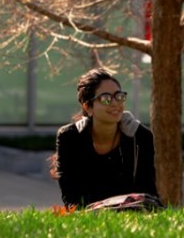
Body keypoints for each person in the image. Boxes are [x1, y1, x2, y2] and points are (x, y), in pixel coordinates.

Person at [54, 68, 158, 208]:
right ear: (88, 107)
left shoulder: (140, 137)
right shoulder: (69, 137)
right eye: (106, 99)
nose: (115, 103)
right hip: (89, 215)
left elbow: (147, 191)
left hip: (131, 214)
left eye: (119, 96)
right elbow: (71, 198)